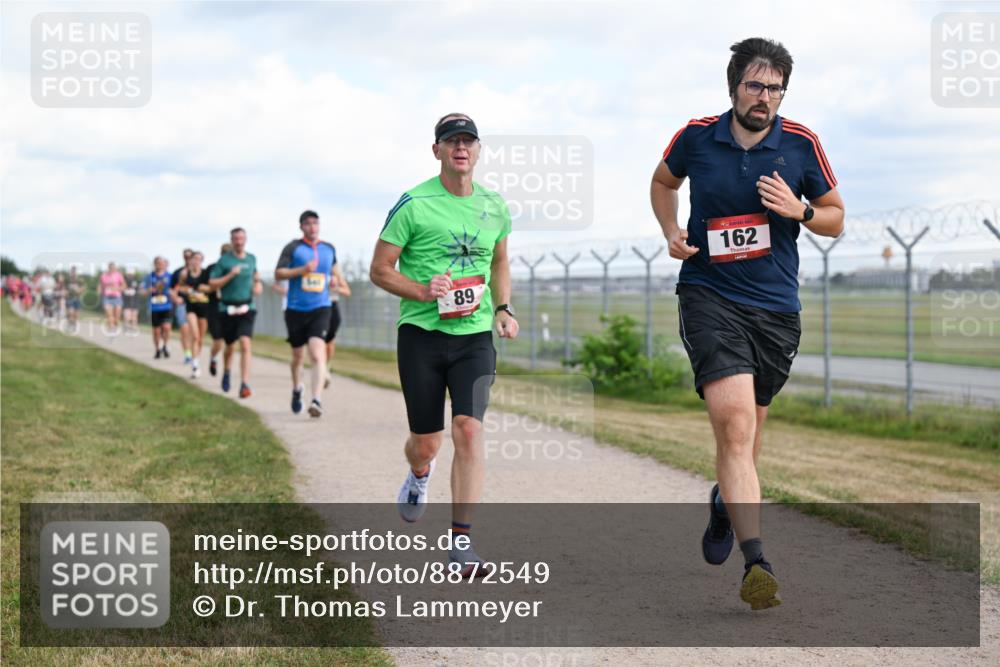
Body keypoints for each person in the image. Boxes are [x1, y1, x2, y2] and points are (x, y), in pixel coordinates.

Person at [650, 37, 845, 610]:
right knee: (734, 426)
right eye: (756, 85)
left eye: (776, 88)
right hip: (709, 295)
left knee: (747, 442)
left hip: (776, 310)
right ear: (734, 86)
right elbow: (663, 183)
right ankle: (757, 562)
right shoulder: (696, 137)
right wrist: (671, 232)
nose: (765, 97)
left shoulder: (801, 143)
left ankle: (723, 505)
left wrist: (801, 210)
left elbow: (836, 218)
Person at [370, 113, 518, 577]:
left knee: (469, 430)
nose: (461, 148)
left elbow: (500, 261)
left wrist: (503, 308)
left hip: (473, 336)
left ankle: (461, 544)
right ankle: (419, 475)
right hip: (422, 336)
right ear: (436, 150)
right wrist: (421, 290)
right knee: (427, 443)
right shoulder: (414, 203)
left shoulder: (494, 205)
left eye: (468, 141)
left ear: (479, 150)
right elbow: (380, 269)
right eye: (451, 141)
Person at [275, 210, 338, 417]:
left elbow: (335, 273)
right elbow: (279, 273)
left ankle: (316, 400)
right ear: (301, 226)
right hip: (295, 309)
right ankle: (297, 389)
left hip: (321, 307)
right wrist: (301, 270)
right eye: (308, 223)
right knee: (297, 356)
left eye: (315, 223)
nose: (312, 227)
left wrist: (335, 281)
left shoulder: (329, 248)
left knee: (317, 353)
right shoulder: (293, 247)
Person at [209, 228, 262, 398]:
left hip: (247, 307)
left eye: (241, 239)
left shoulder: (251, 258)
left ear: (246, 240)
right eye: (236, 239)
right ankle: (226, 371)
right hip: (227, 308)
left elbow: (256, 278)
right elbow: (212, 284)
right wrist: (230, 275)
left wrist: (258, 285)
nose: (239, 242)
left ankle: (244, 384)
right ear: (231, 241)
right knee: (230, 346)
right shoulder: (224, 261)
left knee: (245, 343)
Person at [177, 251, 212, 379]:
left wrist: (202, 289)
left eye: (198, 259)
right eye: (194, 259)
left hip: (204, 307)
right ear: (190, 260)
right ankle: (195, 365)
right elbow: (180, 288)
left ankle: (196, 357)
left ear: (202, 261)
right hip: (191, 307)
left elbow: (211, 288)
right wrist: (189, 290)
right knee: (195, 336)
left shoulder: (206, 274)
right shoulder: (185, 274)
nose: (196, 261)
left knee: (200, 338)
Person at [204, 243, 232, 377]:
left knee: (231, 342)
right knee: (218, 340)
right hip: (214, 307)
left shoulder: (235, 269)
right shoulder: (212, 269)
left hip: (231, 308)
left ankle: (227, 370)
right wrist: (214, 288)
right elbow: (202, 286)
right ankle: (213, 358)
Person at [324, 259, 352, 388]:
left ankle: (326, 366)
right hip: (318, 307)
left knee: (329, 344)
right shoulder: (315, 270)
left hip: (333, 307)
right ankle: (322, 370)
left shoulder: (336, 273)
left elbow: (347, 292)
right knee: (319, 341)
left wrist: (336, 288)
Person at [141, 257, 173, 358]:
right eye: (158, 263)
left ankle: (165, 346)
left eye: (162, 263)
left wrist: (173, 293)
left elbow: (176, 288)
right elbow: (142, 291)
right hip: (154, 307)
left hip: (167, 306)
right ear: (154, 264)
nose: (160, 265)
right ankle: (157, 349)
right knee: (156, 331)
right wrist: (148, 290)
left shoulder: (169, 276)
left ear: (164, 264)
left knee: (167, 327)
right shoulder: (149, 277)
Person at [171, 249, 195, 365]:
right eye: (185, 256)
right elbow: (172, 289)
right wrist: (176, 298)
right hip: (182, 304)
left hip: (195, 304)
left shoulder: (200, 272)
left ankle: (195, 353)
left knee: (194, 332)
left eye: (190, 256)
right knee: (184, 330)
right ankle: (187, 354)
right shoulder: (178, 272)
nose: (187, 258)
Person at [99, 262, 125, 335]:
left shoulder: (119, 275)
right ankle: (111, 328)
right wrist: (100, 292)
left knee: (117, 316)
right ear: (108, 268)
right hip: (107, 298)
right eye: (111, 268)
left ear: (115, 268)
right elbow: (101, 286)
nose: (112, 269)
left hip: (117, 297)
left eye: (113, 268)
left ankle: (114, 326)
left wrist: (117, 288)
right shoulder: (103, 276)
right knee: (109, 315)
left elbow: (124, 286)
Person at [65, 268, 84, 333]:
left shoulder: (80, 281)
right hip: (69, 299)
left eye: (74, 272)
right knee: (70, 313)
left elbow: (82, 289)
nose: (73, 274)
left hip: (77, 299)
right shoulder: (68, 281)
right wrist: (66, 293)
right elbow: (64, 289)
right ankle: (70, 325)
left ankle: (74, 325)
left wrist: (79, 290)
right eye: (72, 272)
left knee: (76, 315)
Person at [122, 268, 140, 333]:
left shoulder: (136, 281)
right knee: (127, 315)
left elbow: (138, 289)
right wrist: (126, 291)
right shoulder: (123, 281)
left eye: (131, 274)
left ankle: (134, 328)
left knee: (134, 315)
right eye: (129, 274)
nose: (130, 276)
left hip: (135, 300)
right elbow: (122, 288)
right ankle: (126, 326)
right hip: (126, 301)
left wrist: (134, 291)